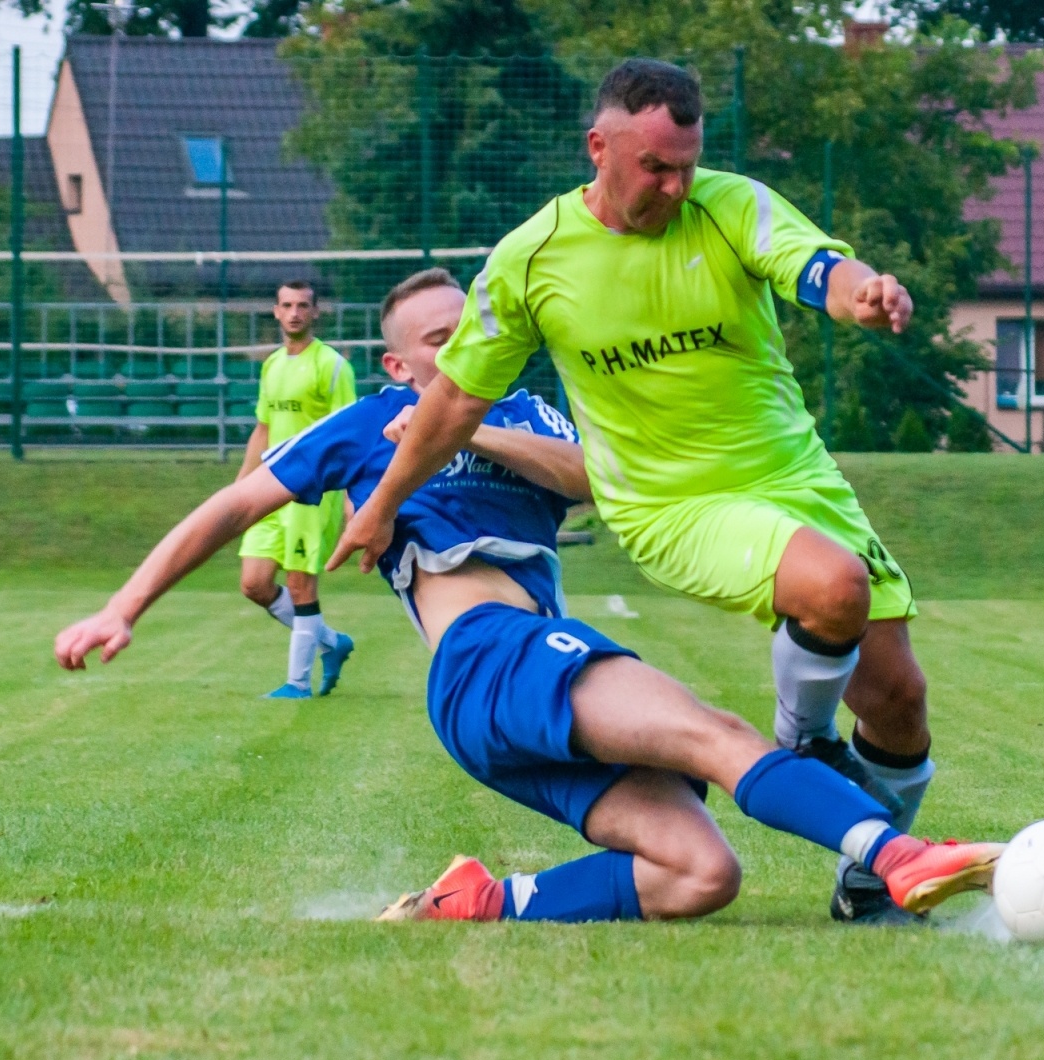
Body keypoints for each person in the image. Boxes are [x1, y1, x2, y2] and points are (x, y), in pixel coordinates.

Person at [52, 269, 1004, 926]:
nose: (467, 341)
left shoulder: (529, 411)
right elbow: (232, 505)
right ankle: (893, 859)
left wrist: (463, 430)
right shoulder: (367, 420)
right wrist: (121, 608)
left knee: (701, 873)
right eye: (440, 338)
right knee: (715, 732)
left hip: (512, 683)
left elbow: (591, 476)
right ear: (397, 366)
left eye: (474, 324)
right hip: (485, 657)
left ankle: (481, 901)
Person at [329, 59, 937, 923]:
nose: (675, 183)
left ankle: (866, 880)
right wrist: (384, 504)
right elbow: (455, 399)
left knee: (899, 700)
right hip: (668, 502)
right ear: (599, 148)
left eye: (686, 163)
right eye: (655, 166)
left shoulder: (729, 206)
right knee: (831, 585)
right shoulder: (532, 258)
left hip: (794, 476)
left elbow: (816, 267)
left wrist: (863, 294)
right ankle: (802, 748)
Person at [236, 279, 357, 699]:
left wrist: (350, 502)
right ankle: (331, 642)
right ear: (275, 311)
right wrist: (239, 489)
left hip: (313, 492)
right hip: (270, 489)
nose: (294, 313)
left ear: (315, 312)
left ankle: (297, 683)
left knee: (302, 584)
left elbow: (349, 435)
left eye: (303, 305)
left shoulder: (333, 366)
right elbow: (263, 428)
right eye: (286, 304)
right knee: (254, 583)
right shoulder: (271, 365)